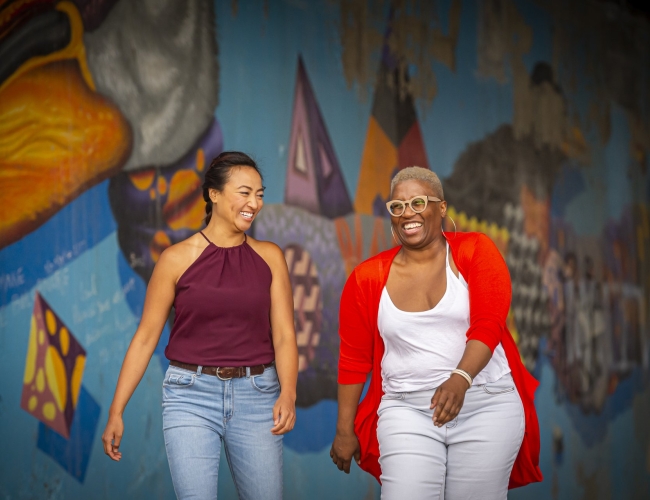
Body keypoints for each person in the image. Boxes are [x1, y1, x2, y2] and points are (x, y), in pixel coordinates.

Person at [330, 167, 542, 499]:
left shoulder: (476, 251)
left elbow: (489, 324)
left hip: (486, 406)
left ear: (441, 207)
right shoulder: (367, 278)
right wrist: (345, 430)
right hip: (407, 411)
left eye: (418, 202)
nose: (407, 213)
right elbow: (353, 359)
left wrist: (461, 378)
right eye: (397, 206)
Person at [102, 151, 298, 500]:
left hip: (257, 396)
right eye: (244, 192)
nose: (254, 202)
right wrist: (117, 410)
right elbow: (146, 338)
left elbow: (284, 335)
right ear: (214, 194)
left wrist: (289, 392)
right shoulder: (175, 259)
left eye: (260, 194)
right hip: (189, 394)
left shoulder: (270, 257)